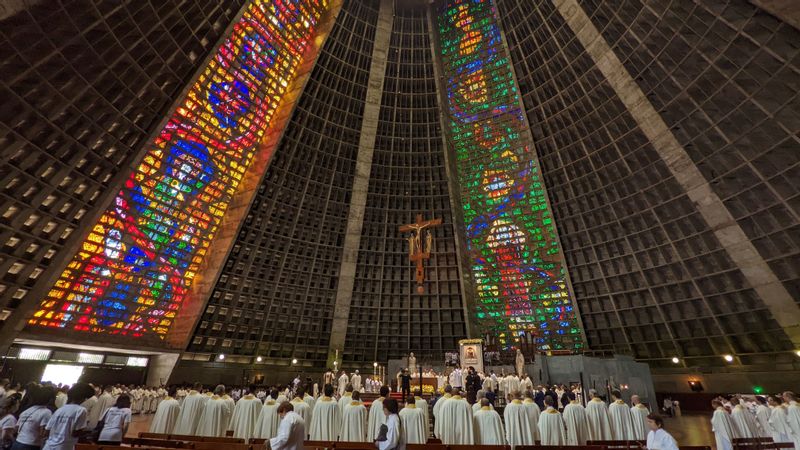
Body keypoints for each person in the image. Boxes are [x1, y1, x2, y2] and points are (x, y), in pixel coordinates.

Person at [42, 383, 94, 450]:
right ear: (84, 397)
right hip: (64, 447)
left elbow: (46, 431)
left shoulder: (60, 409)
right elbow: (75, 433)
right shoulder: (81, 410)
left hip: (48, 446)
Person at [14, 386, 54, 450]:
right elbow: (42, 433)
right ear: (49, 399)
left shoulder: (26, 411)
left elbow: (16, 428)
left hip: (17, 442)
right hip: (31, 445)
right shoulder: (46, 412)